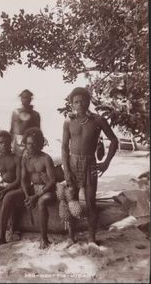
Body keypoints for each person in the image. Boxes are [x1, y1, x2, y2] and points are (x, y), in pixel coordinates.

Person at [62, 87, 118, 244]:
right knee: (71, 200)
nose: (80, 104)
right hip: (72, 163)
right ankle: (71, 237)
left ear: (88, 101)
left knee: (90, 201)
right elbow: (64, 147)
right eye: (76, 102)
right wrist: (66, 170)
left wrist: (106, 163)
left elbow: (114, 141)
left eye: (83, 101)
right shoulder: (69, 120)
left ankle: (92, 238)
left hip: (90, 163)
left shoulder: (98, 120)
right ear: (72, 104)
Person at [10, 89, 41, 156]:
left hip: (29, 143)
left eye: (27, 97)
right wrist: (10, 144)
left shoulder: (35, 114)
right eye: (23, 97)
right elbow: (12, 130)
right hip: (16, 143)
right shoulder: (15, 113)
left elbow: (38, 132)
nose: (25, 100)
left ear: (30, 99)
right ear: (21, 99)